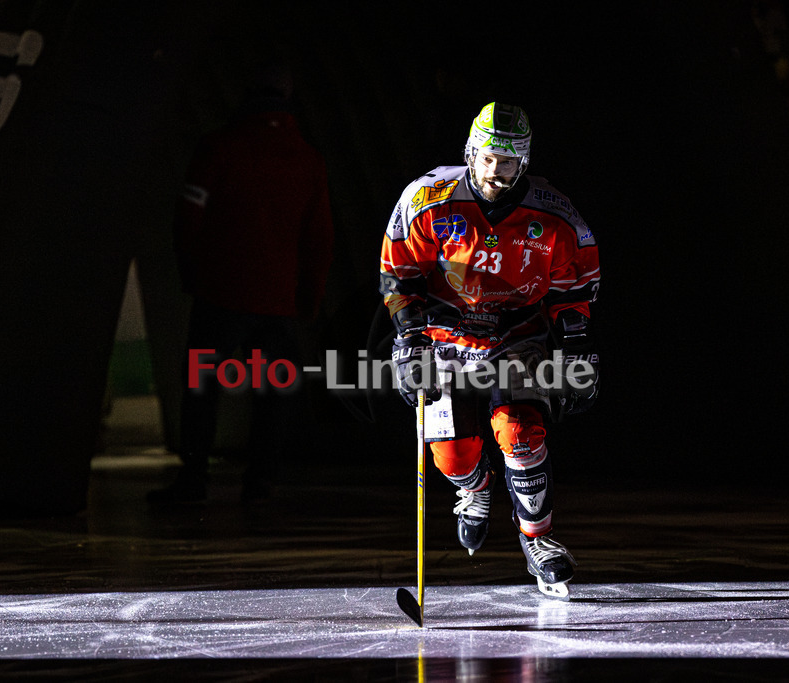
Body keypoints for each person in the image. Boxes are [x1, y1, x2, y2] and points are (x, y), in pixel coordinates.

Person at [378, 102, 601, 596]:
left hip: (515, 335)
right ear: (469, 152)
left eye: (506, 161)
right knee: (452, 457)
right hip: (444, 336)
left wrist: (577, 347)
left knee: (521, 435)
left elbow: (576, 285)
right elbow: (398, 272)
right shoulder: (426, 198)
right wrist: (408, 341)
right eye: (484, 158)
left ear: (523, 162)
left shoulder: (555, 213)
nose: (493, 171)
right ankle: (475, 488)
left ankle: (538, 541)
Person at [149, 65, 334, 505]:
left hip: (220, 296)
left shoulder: (219, 146)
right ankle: (261, 482)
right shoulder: (308, 158)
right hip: (278, 305)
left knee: (201, 387)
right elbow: (320, 238)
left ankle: (193, 480)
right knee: (272, 393)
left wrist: (191, 273)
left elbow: (187, 217)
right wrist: (307, 299)